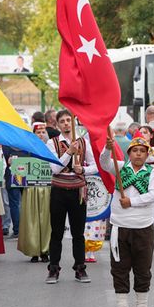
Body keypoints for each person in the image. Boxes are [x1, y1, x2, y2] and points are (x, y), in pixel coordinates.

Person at [100, 134, 154, 307]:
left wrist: (132, 202)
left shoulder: (153, 173)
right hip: (120, 227)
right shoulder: (119, 167)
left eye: (142, 151)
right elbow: (103, 163)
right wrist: (108, 148)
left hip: (143, 227)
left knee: (143, 268)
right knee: (119, 268)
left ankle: (142, 306)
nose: (138, 154)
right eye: (135, 150)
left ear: (147, 154)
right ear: (129, 153)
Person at [45, 110, 98, 284]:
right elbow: (54, 169)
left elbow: (95, 166)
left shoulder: (84, 142)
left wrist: (83, 170)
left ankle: (80, 268)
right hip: (59, 190)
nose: (67, 123)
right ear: (58, 125)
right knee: (57, 232)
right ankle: (53, 269)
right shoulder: (52, 143)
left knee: (78, 233)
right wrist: (69, 152)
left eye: (69, 120)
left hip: (77, 191)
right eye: (63, 121)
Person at [18, 122, 52, 263]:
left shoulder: (51, 148)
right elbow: (19, 167)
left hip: (46, 188)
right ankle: (33, 251)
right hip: (31, 188)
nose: (41, 134)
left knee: (45, 220)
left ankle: (45, 250)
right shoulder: (27, 148)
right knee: (31, 219)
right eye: (38, 132)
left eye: (43, 132)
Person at [139, 126, 154, 246]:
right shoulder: (137, 148)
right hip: (139, 179)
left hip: (152, 179)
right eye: (140, 132)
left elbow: (151, 157)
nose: (143, 134)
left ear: (151, 135)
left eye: (145, 132)